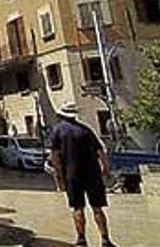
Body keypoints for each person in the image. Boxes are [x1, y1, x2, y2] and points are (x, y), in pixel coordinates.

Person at [48, 103, 116, 247]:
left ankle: (81, 240)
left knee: (77, 208)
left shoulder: (58, 131)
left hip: (72, 175)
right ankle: (105, 239)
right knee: (97, 208)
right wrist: (107, 171)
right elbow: (101, 153)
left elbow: (54, 156)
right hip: (93, 174)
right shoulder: (86, 130)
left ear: (61, 115)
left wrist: (58, 175)